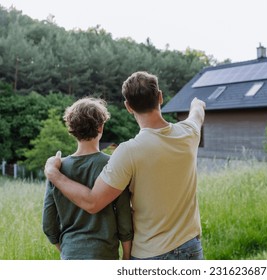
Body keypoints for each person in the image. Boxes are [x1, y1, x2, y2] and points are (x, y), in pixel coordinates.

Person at [44, 71, 206, 260]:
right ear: (160, 97)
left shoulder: (128, 152)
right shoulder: (189, 132)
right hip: (190, 248)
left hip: (150, 255)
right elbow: (197, 114)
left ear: (128, 107)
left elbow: (92, 202)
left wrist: (53, 173)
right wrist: (197, 103)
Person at [42, 97, 133, 260]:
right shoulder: (112, 165)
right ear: (100, 127)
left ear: (71, 129)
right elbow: (124, 216)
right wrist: (126, 255)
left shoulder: (56, 169)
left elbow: (48, 223)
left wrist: (66, 250)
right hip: (104, 254)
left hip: (70, 252)